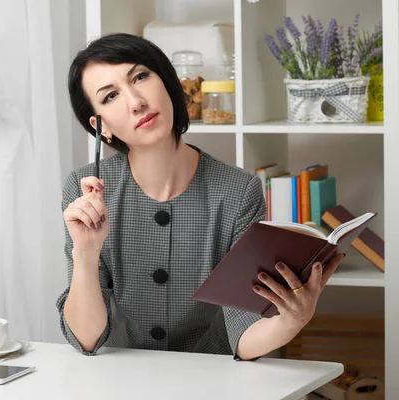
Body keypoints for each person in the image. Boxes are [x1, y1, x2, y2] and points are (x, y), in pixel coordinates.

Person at [55, 33, 344, 360]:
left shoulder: (238, 191)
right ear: (100, 127)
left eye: (140, 77)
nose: (136, 101)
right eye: (110, 96)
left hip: (213, 381)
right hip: (120, 381)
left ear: (168, 83)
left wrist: (293, 320)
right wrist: (86, 252)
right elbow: (86, 339)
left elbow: (243, 332)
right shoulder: (84, 189)